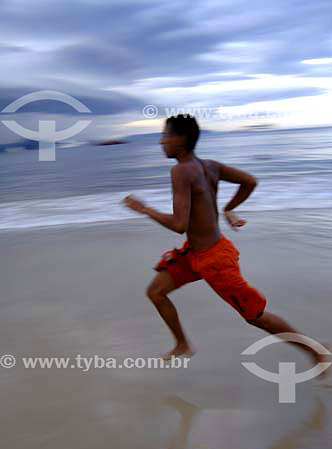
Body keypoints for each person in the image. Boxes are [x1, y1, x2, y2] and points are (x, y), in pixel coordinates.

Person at [122, 114, 329, 375]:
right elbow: (250, 181)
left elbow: (178, 225)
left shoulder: (181, 171)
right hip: (195, 254)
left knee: (257, 317)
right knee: (156, 292)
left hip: (215, 261)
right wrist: (229, 208)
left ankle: (316, 351)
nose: (161, 142)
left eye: (165, 136)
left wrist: (145, 209)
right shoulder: (210, 165)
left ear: (180, 139)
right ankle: (182, 344)